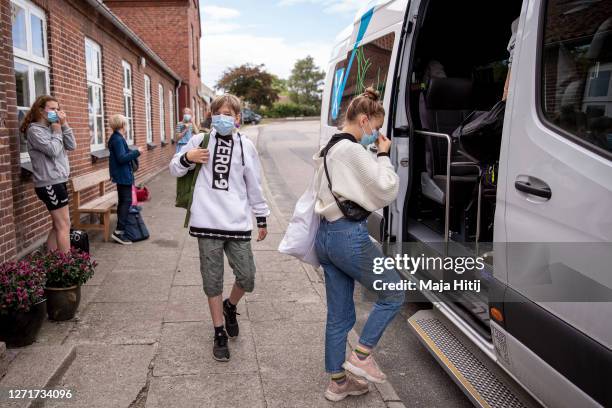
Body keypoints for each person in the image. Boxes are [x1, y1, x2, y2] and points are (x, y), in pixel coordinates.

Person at [312, 88, 405, 401]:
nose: (375, 134)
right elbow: (386, 188)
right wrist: (382, 155)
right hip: (347, 237)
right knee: (394, 292)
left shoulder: (331, 147)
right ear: (364, 120)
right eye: (375, 128)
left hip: (325, 236)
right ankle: (362, 357)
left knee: (339, 316)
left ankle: (338, 383)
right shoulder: (352, 151)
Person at [169, 94, 269, 362]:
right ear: (212, 116)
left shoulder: (246, 146)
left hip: (237, 222)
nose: (223, 117)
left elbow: (254, 184)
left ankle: (230, 305)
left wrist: (261, 217)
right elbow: (174, 169)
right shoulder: (198, 140)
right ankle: (219, 332)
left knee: (247, 277)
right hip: (206, 222)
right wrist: (188, 157)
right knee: (212, 280)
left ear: (238, 118)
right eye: (219, 113)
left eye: (229, 113)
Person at [22, 95, 76, 253]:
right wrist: (57, 130)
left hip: (59, 180)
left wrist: (64, 124)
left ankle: (51, 262)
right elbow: (52, 150)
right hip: (49, 183)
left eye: (58, 109)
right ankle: (66, 269)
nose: (56, 112)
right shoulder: (34, 130)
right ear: (40, 110)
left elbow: (71, 145)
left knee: (58, 225)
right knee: (64, 225)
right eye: (52, 109)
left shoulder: (52, 128)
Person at [108, 114, 144, 245]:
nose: (127, 126)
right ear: (122, 125)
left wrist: (133, 151)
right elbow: (122, 158)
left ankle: (120, 230)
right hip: (123, 176)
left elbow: (124, 152)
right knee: (126, 202)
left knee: (124, 201)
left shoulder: (118, 138)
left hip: (123, 175)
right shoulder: (117, 139)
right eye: (126, 123)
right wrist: (137, 152)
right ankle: (119, 231)